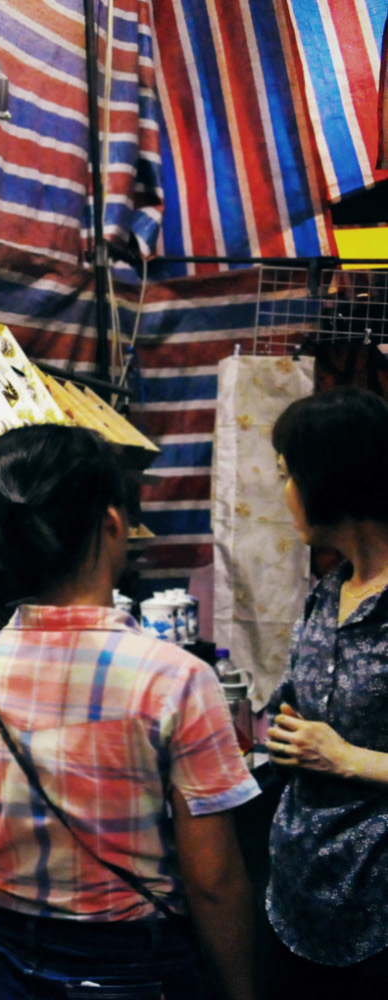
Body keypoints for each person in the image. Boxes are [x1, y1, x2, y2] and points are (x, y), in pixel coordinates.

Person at [0, 424, 258, 1000]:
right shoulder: (176, 679)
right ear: (113, 524)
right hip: (134, 968)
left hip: (3, 959)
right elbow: (214, 880)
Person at [262, 386, 388, 996]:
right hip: (297, 902)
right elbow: (294, 713)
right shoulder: (327, 592)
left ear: (328, 478)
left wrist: (346, 757)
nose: (282, 494)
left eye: (287, 476)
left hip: (378, 916)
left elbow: (334, 746)